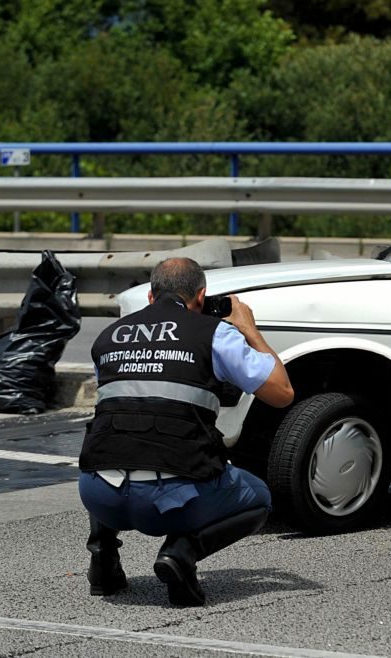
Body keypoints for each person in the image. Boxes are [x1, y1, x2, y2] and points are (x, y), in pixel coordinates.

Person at [78, 257, 294, 606]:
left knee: (117, 439)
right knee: (258, 498)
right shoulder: (213, 334)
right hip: (169, 503)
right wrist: (249, 329)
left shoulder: (108, 336)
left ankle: (103, 557)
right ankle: (181, 553)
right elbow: (282, 393)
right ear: (201, 296)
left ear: (151, 297)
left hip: (98, 496)